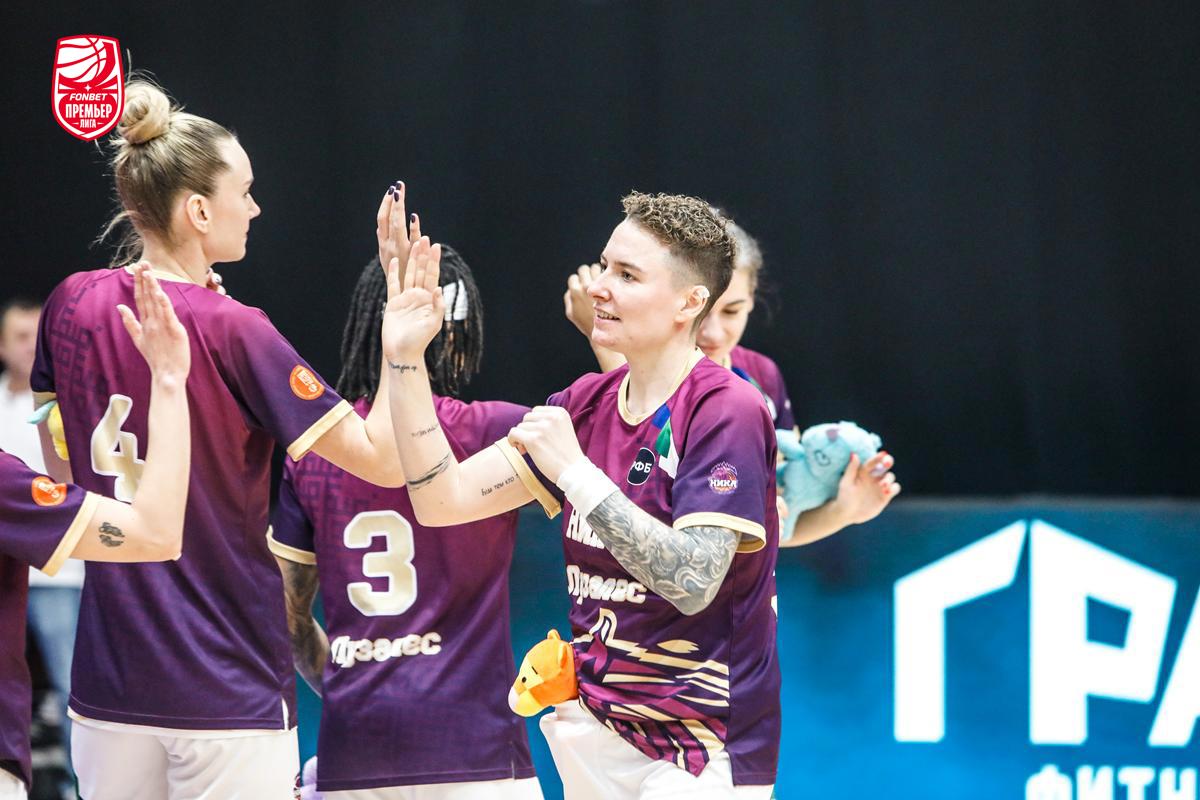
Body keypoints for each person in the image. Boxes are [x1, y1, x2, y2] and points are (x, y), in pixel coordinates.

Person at [31, 79, 411, 800]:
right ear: (199, 211)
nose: (256, 208)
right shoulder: (236, 328)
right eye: (246, 191)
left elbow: (59, 455)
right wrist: (399, 320)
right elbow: (383, 461)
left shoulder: (70, 303)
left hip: (109, 678)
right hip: (224, 676)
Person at [383, 193, 780, 797]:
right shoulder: (585, 403)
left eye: (628, 275)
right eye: (605, 267)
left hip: (700, 745)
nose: (599, 287)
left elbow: (695, 581)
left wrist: (576, 473)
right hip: (593, 727)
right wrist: (405, 359)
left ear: (689, 302)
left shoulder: (727, 408)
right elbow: (442, 499)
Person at [269, 246, 542, 799]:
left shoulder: (317, 452)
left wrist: (357, 685)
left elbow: (285, 617)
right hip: (476, 749)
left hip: (355, 747)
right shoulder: (497, 430)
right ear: (457, 337)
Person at [563, 215, 900, 546]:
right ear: (684, 300)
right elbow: (642, 489)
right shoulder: (603, 362)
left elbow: (763, 525)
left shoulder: (760, 377)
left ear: (752, 298)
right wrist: (604, 342)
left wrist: (844, 511)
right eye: (703, 311)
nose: (713, 332)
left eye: (732, 311)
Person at [1, 266, 191, 800]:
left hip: (62, 565)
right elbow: (156, 533)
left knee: (68, 682)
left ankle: (66, 784)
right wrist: (170, 382)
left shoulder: (58, 409)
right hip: (67, 540)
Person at [0, 297, 86, 795]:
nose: (31, 347)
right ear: (2, 345)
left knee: (72, 686)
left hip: (60, 571)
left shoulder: (70, 406)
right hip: (4, 574)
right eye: (20, 337)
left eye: (38, 337)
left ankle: (79, 787)